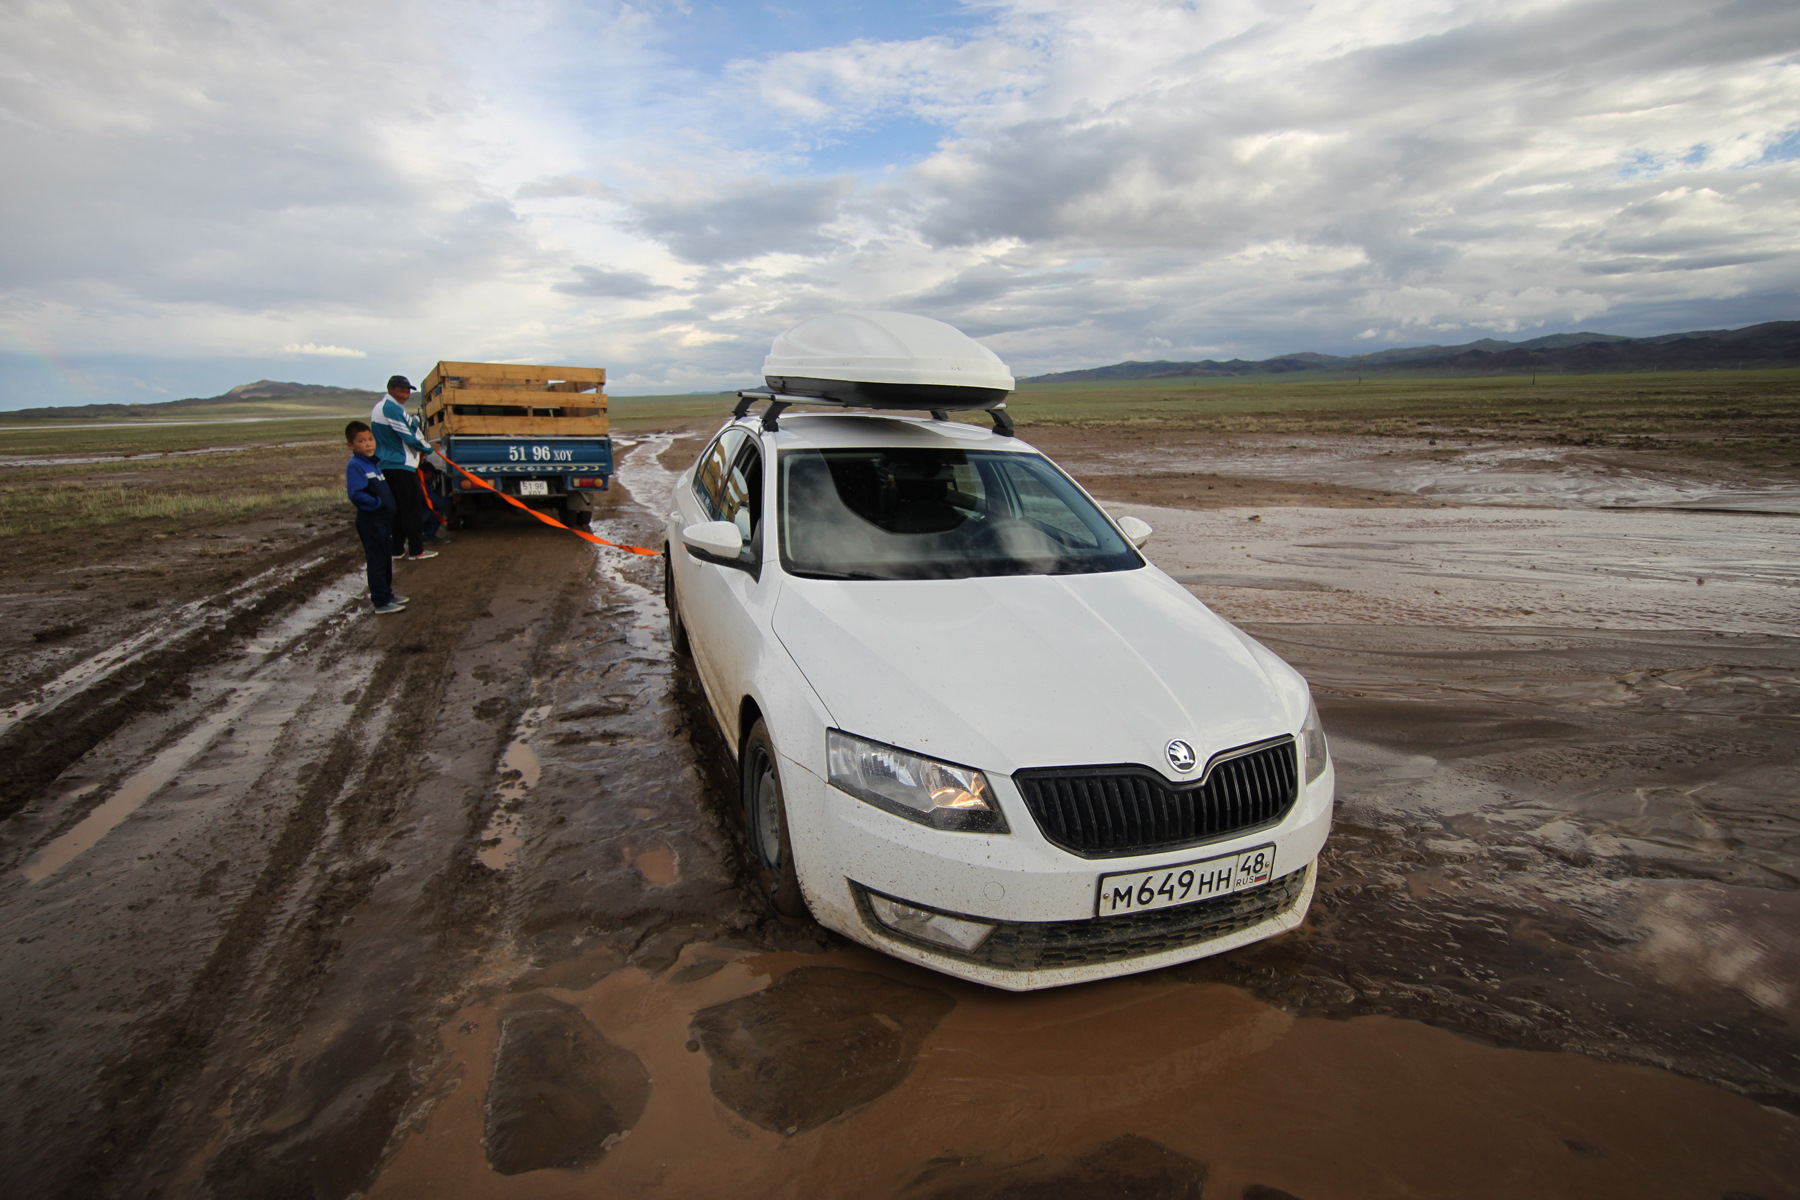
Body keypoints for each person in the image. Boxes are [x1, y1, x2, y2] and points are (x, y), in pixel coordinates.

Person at [370, 374, 438, 561]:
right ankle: (416, 550)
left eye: (407, 391)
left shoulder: (380, 408)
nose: (405, 395)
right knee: (411, 509)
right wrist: (428, 448)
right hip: (400, 466)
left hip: (386, 465)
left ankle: (397, 549)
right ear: (390, 389)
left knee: (396, 510)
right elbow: (408, 436)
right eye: (401, 391)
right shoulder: (391, 408)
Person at [344, 421, 409, 614]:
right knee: (377, 561)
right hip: (371, 521)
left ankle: (387, 594)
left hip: (382, 521)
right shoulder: (356, 465)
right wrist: (378, 504)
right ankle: (380, 601)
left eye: (370, 439)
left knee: (385, 558)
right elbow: (356, 494)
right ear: (351, 445)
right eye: (362, 441)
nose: (368, 444)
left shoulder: (373, 464)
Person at [418, 460, 453, 546]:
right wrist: (452, 499)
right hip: (416, 518)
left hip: (412, 516)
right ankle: (427, 537)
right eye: (431, 473)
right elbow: (437, 503)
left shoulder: (419, 483)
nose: (433, 477)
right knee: (437, 511)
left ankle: (423, 536)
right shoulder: (422, 486)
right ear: (425, 473)